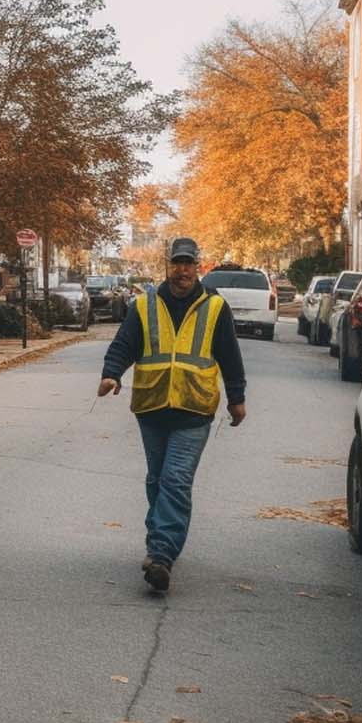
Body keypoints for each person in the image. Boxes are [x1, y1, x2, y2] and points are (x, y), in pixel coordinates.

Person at [97, 237, 246, 593]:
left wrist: (236, 398)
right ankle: (159, 543)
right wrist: (111, 373)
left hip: (194, 409)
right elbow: (124, 343)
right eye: (177, 263)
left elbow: (229, 354)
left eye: (188, 263)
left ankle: (161, 555)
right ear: (169, 266)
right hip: (152, 407)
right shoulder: (145, 304)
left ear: (199, 266)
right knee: (157, 480)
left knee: (175, 480)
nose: (182, 270)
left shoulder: (214, 307)